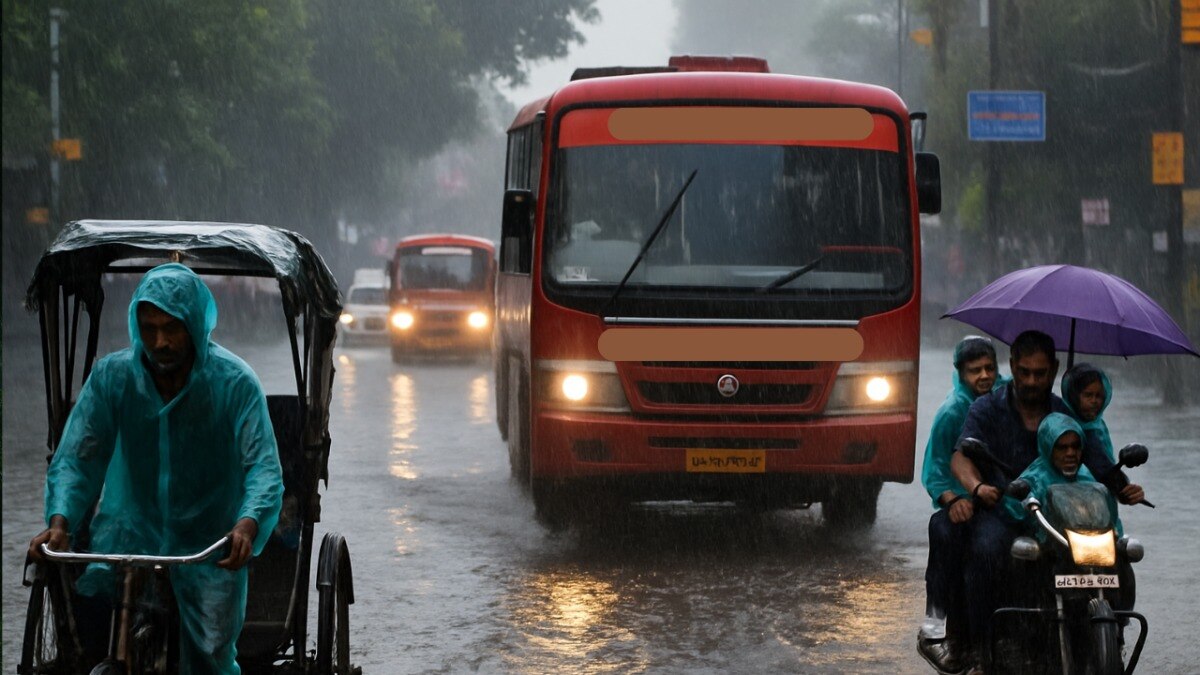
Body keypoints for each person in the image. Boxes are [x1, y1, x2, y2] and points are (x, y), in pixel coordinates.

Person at [28, 263, 284, 674]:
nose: (160, 342)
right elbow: (79, 456)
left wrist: (248, 524)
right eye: (149, 328)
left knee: (210, 661)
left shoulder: (235, 384)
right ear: (136, 325)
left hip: (208, 544)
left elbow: (262, 468)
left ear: (196, 326)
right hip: (129, 535)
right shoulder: (113, 378)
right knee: (105, 640)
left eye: (172, 328)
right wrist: (60, 522)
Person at [948, 330, 1144, 670]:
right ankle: (982, 647)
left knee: (1115, 556)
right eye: (1024, 372)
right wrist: (978, 487)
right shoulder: (987, 408)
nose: (1031, 381)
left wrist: (1123, 488)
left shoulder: (1063, 413)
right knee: (987, 552)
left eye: (1040, 374)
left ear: (1053, 370)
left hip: (1056, 518)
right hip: (1004, 511)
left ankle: (1112, 633)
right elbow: (960, 457)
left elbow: (1097, 461)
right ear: (1011, 366)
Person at [918, 336, 1004, 673]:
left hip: (1005, 499)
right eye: (975, 370)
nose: (984, 376)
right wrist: (953, 499)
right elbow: (935, 468)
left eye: (989, 368)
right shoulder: (953, 411)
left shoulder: (1008, 397)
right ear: (960, 373)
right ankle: (939, 630)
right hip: (963, 501)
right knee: (944, 533)